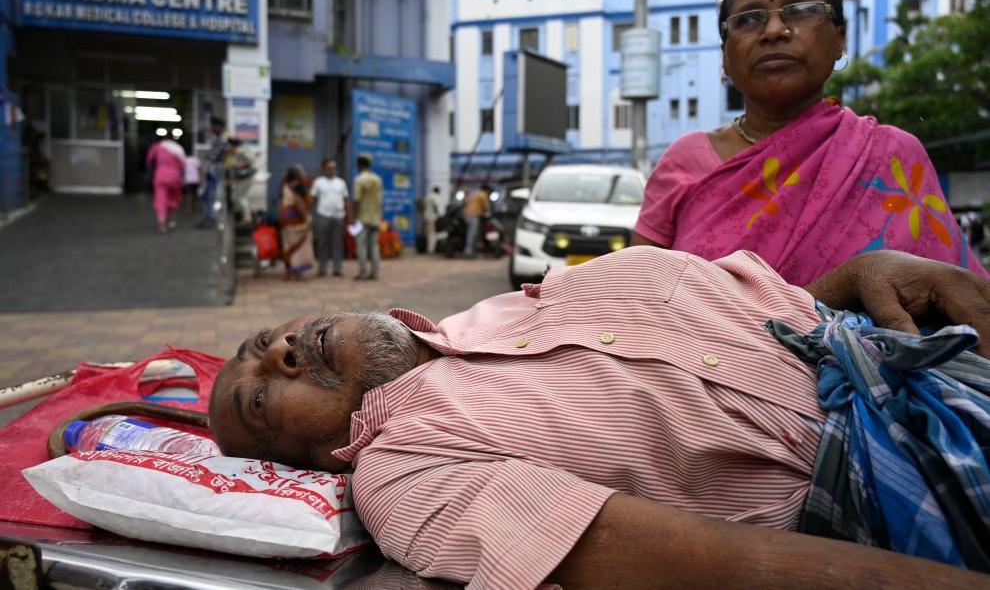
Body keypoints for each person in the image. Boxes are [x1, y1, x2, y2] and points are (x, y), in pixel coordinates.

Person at [211, 246, 990, 589]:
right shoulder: (406, 473)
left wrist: (858, 278)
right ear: (312, 462)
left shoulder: (491, 317)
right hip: (917, 476)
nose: (276, 350)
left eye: (259, 340)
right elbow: (731, 569)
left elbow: (744, 339)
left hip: (929, 358)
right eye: (259, 396)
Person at [632, 0, 987, 285]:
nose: (773, 30)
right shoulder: (685, 161)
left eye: (800, 11)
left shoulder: (889, 156)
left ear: (840, 40)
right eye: (748, 19)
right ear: (725, 56)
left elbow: (954, 301)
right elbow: (634, 298)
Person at [310, 159, 349, 277]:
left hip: (338, 216)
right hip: (323, 215)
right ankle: (322, 269)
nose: (332, 170)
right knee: (322, 243)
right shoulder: (318, 182)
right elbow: (313, 199)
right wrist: (310, 215)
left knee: (338, 243)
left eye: (333, 168)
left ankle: (338, 269)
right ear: (324, 169)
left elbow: (346, 199)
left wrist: (349, 216)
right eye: (329, 168)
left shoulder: (341, 182)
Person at [278, 165, 315, 280]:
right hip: (298, 220)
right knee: (300, 247)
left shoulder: (284, 186)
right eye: (301, 173)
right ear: (297, 175)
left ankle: (288, 271)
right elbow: (302, 205)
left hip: (285, 221)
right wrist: (307, 219)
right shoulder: (299, 187)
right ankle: (298, 273)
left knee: (288, 245)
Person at [145, 134, 186, 234]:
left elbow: (149, 161)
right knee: (174, 198)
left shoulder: (157, 147)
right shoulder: (178, 149)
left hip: (160, 176)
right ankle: (171, 219)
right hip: (175, 177)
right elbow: (183, 164)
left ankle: (162, 222)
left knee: (161, 199)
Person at [352, 154, 383, 281]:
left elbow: (357, 200)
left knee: (361, 246)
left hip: (362, 217)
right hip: (375, 217)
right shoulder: (377, 179)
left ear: (359, 165)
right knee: (374, 246)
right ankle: (375, 273)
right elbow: (380, 199)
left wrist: (354, 216)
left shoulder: (359, 180)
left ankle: (362, 272)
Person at [199, 117, 228, 229]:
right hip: (211, 170)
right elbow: (213, 156)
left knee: (210, 196)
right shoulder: (214, 139)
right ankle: (210, 219)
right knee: (211, 195)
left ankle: (209, 218)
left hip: (211, 170)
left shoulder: (215, 138)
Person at [462, 183, 491, 257]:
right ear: (487, 190)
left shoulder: (474, 193)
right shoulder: (483, 194)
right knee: (472, 233)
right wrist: (487, 212)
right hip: (473, 215)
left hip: (467, 214)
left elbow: (466, 201)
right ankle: (468, 251)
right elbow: (486, 206)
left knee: (473, 232)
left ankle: (473, 251)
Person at [423, 186, 444, 254]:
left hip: (426, 217)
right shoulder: (435, 197)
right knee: (432, 234)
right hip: (432, 218)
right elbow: (436, 206)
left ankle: (428, 248)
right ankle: (431, 250)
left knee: (428, 233)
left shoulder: (428, 196)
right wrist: (439, 214)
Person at [182, 147, 201, 214]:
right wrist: (200, 179)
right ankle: (194, 207)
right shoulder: (196, 160)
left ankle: (189, 208)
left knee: (189, 195)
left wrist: (183, 179)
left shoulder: (184, 160)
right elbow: (199, 170)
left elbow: (183, 171)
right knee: (195, 194)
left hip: (188, 180)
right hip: (195, 179)